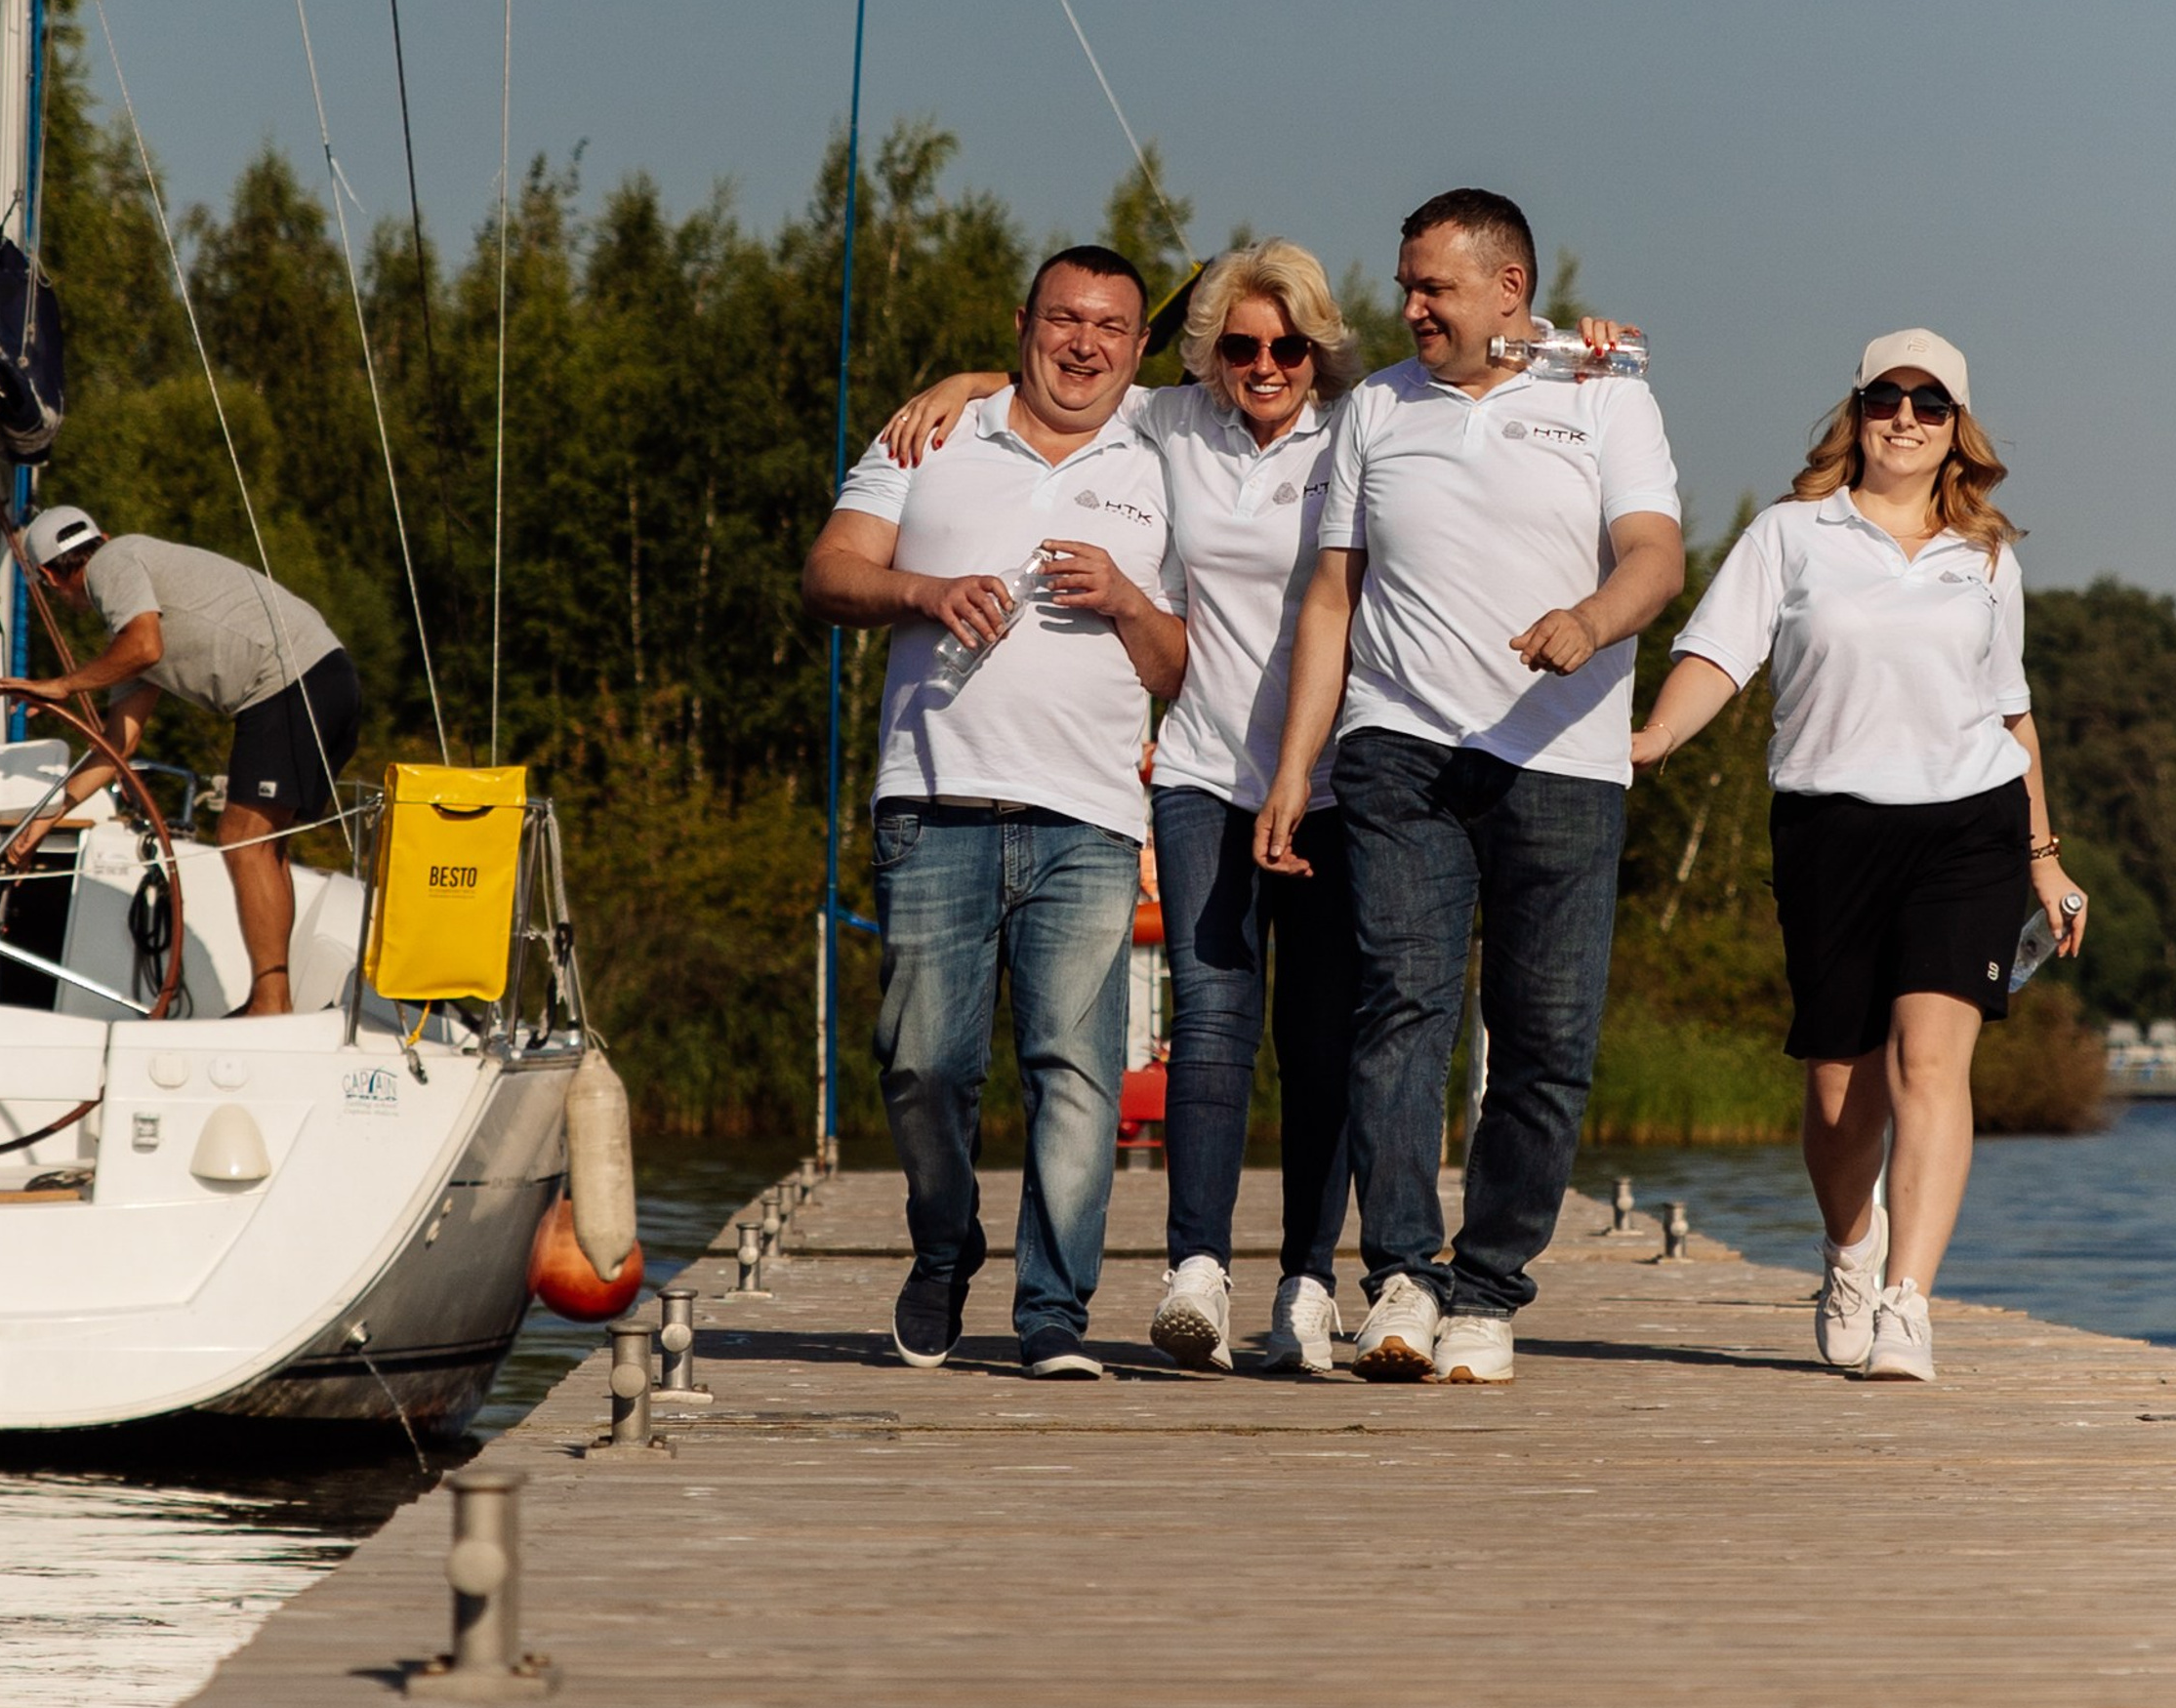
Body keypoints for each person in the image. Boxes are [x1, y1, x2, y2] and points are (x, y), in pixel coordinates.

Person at [882, 242, 1367, 1375]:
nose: (1263, 363)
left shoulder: (1361, 429)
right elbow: (1064, 369)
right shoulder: (1170, 420)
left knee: (1321, 1041)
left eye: (1288, 345)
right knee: (1206, 1025)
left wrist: (1583, 363)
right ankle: (1195, 1265)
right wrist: (961, 388)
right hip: (1199, 766)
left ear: (1318, 348)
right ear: (1204, 354)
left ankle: (1306, 1281)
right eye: (1240, 344)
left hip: (1337, 776)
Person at [1256, 188, 1684, 1386]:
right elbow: (1330, 597)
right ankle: (1399, 1273)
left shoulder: (1603, 394)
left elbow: (1655, 555)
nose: (1409, 308)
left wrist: (1590, 621)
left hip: (1563, 761)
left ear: (1509, 290)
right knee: (1400, 1005)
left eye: (1432, 286)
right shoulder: (1376, 413)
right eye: (1405, 284)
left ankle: (1487, 1290)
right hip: (1399, 750)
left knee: (1546, 1042)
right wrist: (1298, 766)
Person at [1630, 331, 2082, 1382]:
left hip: (1965, 828)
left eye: (1931, 403)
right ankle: (1849, 1249)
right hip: (1829, 827)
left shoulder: (1986, 557)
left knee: (1930, 1062)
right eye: (1889, 396)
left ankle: (1909, 1301)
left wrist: (2044, 861)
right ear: (1859, 406)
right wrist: (1653, 737)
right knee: (1840, 1086)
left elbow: (2012, 718)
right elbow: (1715, 654)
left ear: (1956, 426)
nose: (1907, 418)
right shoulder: (1790, 535)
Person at [801, 245, 1187, 1379]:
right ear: (1021, 323)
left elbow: (1177, 668)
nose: (1084, 343)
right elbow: (829, 574)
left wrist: (1123, 598)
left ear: (1137, 345)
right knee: (922, 1061)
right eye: (1064, 318)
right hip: (932, 800)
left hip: (1089, 816)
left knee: (1075, 1071)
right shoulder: (929, 435)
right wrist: (922, 592)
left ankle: (1052, 1314)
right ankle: (944, 1241)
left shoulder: (1162, 450)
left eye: (1111, 326)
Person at [8, 507, 362, 1018]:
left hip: (292, 681)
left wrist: (61, 685)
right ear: (96, 535)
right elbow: (116, 748)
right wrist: (40, 823)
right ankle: (273, 1001)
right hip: (324, 679)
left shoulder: (116, 564)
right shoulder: (129, 629)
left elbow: (145, 647)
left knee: (243, 837)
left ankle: (270, 1004)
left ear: (49, 577)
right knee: (262, 844)